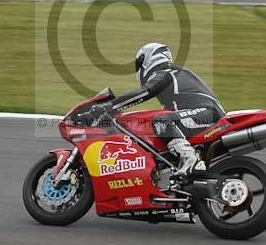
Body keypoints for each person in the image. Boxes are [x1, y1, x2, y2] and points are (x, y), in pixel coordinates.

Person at [88, 43, 225, 176]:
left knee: (162, 121)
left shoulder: (166, 73)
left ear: (146, 60)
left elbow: (144, 92)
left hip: (207, 113)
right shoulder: (175, 78)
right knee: (158, 124)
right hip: (206, 113)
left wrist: (109, 106)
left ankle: (191, 160)